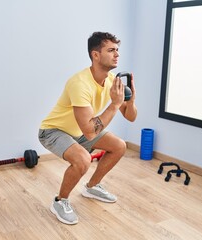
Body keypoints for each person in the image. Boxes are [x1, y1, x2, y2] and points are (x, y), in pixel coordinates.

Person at [38, 31, 137, 225]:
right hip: (53, 131)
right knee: (83, 159)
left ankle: (92, 187)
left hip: (80, 131)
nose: (117, 54)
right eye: (111, 50)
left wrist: (131, 100)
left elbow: (131, 117)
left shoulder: (110, 80)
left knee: (119, 145)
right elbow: (90, 132)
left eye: (117, 50)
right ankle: (60, 201)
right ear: (96, 55)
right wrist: (115, 104)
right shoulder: (79, 83)